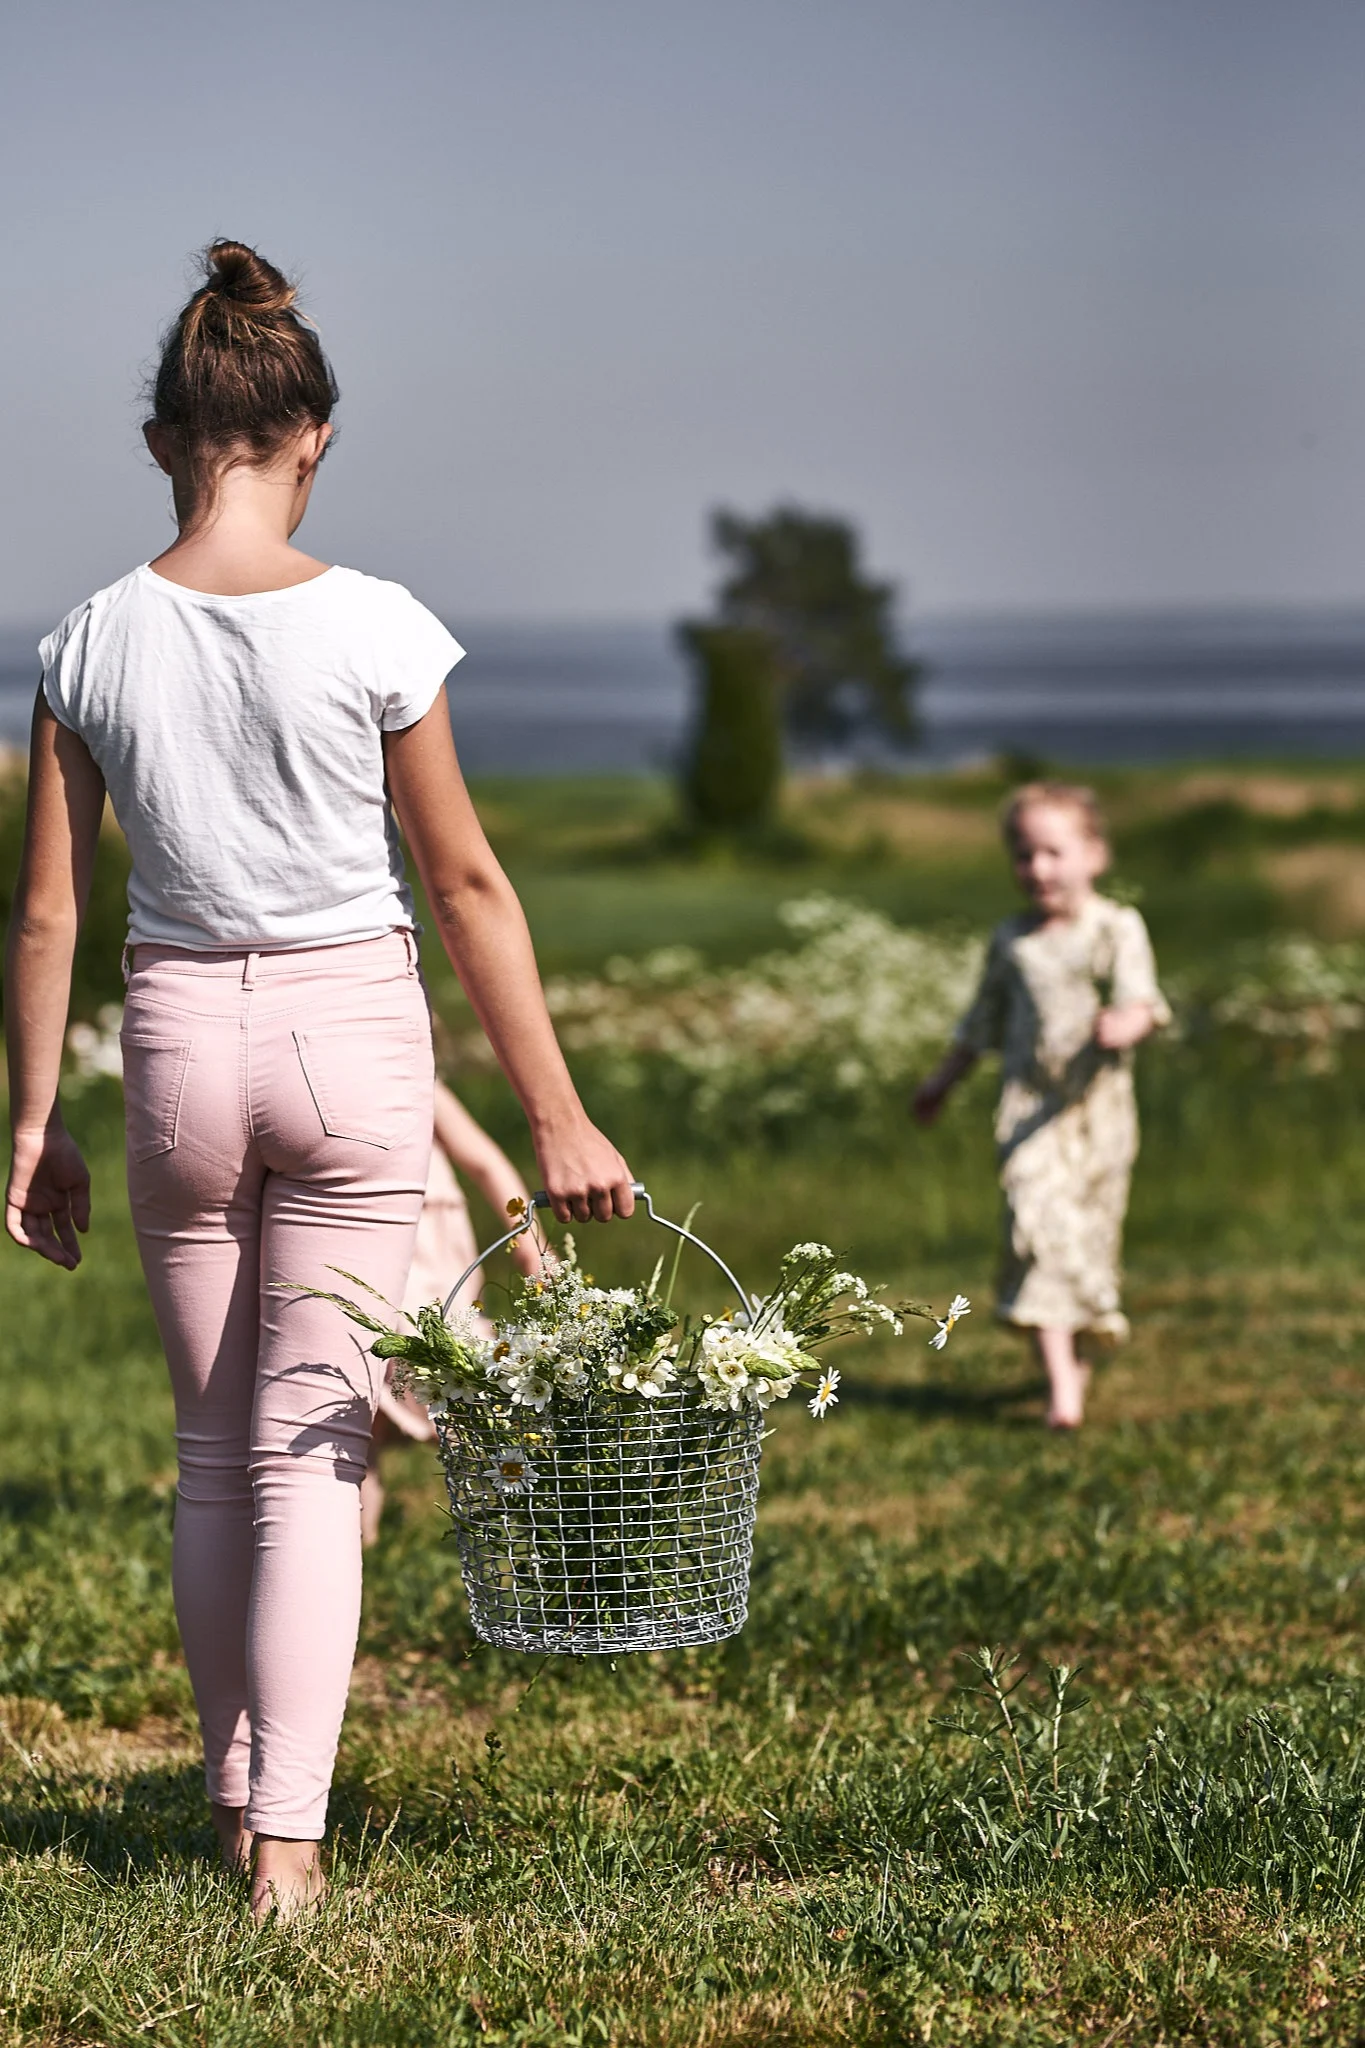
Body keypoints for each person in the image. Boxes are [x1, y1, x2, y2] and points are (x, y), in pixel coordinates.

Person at [3, 241, 634, 1923]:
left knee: (215, 1453)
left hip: (176, 1041)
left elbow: (53, 902)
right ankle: (289, 1840)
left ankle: (236, 1797)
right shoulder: (378, 625)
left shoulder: (84, 640)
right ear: (316, 436)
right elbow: (469, 886)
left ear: (161, 439)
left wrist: (32, 1122)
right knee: (313, 1451)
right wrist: (556, 1112)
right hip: (353, 1041)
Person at [913, 782, 1168, 1430]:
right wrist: (941, 1082)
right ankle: (1063, 1395)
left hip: (1097, 1114)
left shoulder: (1115, 927)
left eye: (1053, 853)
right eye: (1024, 855)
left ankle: (1071, 1355)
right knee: (1035, 1229)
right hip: (1027, 1114)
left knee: (1085, 1239)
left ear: (1093, 854)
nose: (1038, 870)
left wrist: (1127, 1024)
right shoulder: (1012, 941)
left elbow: (1141, 997)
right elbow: (981, 1023)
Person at [360, 1077, 549, 1548]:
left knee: (465, 1397)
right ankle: (354, 1558)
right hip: (378, 1251)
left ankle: (514, 1531)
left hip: (438, 1265)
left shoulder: (412, 1073)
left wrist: (531, 1243)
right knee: (358, 1426)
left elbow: (484, 1161)